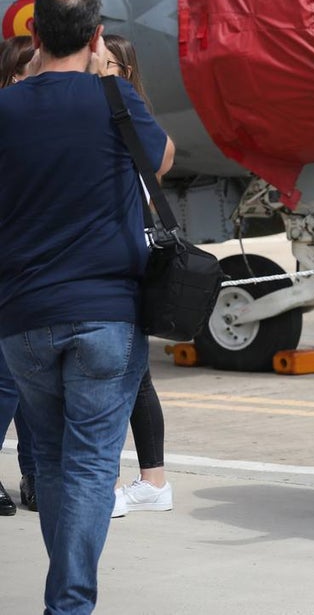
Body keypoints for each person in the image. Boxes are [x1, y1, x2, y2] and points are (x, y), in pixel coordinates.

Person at [0, 0, 175, 613]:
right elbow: (161, 159)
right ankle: (68, 603)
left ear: (35, 35)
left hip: (23, 315)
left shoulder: (8, 107)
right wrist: (109, 80)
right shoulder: (114, 96)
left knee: (48, 458)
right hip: (106, 312)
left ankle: (64, 597)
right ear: (97, 36)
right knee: (90, 466)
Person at [100, 35, 174, 517]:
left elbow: (161, 162)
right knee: (136, 377)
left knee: (125, 377)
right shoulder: (126, 120)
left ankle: (137, 482)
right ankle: (152, 481)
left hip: (127, 265)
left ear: (122, 73)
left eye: (104, 63)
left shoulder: (123, 118)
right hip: (129, 264)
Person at [0, 35, 39, 516]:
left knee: (34, 381)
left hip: (36, 265)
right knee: (8, 378)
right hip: (10, 263)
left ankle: (35, 476)